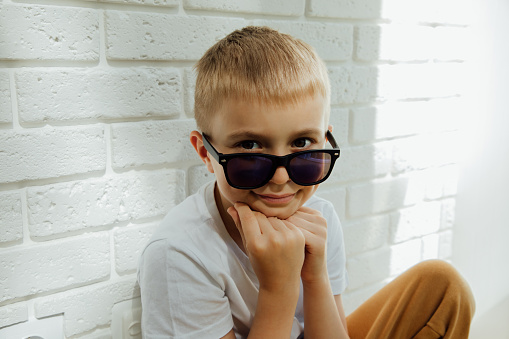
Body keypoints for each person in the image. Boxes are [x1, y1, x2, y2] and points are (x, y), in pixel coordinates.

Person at [137, 26, 475, 339]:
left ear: (324, 139)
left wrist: (314, 275)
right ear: (205, 153)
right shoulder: (179, 254)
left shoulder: (317, 216)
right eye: (250, 147)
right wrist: (279, 288)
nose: (282, 177)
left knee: (442, 286)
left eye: (301, 144)